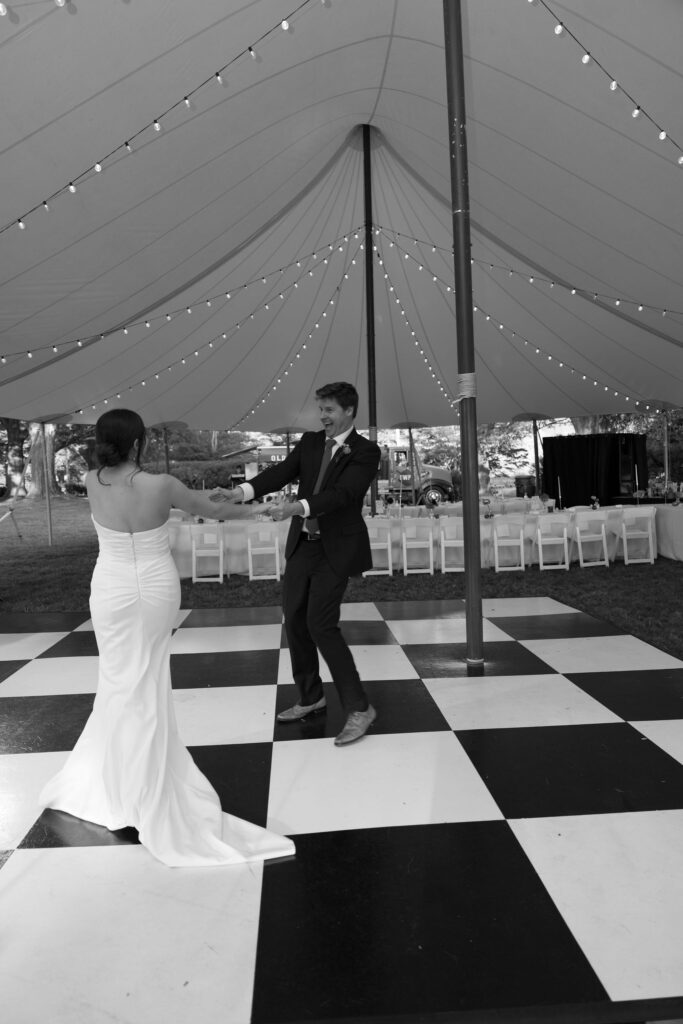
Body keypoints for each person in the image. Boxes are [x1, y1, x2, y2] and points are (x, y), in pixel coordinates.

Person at [38, 409, 295, 868]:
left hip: (111, 590)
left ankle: (114, 783)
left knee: (118, 681)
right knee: (148, 679)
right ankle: (143, 784)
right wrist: (262, 508)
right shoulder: (163, 485)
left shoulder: (90, 479)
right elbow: (215, 511)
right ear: (138, 443)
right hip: (155, 589)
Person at [218, 382, 381, 746]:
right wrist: (241, 492)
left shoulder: (366, 451)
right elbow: (279, 474)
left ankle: (359, 708)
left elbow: (344, 494)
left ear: (349, 411)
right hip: (303, 544)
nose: (322, 416)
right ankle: (311, 697)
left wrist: (296, 507)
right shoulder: (309, 443)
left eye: (330, 410)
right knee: (294, 619)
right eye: (320, 409)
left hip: (335, 549)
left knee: (320, 624)